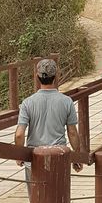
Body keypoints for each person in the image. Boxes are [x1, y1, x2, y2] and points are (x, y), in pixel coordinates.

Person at [14, 58, 82, 187]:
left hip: (35, 158)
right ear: (56, 76)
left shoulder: (27, 103)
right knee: (59, 200)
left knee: (36, 202)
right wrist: (77, 155)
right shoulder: (67, 101)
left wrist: (19, 155)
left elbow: (19, 134)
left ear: (37, 76)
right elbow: (72, 133)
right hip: (59, 156)